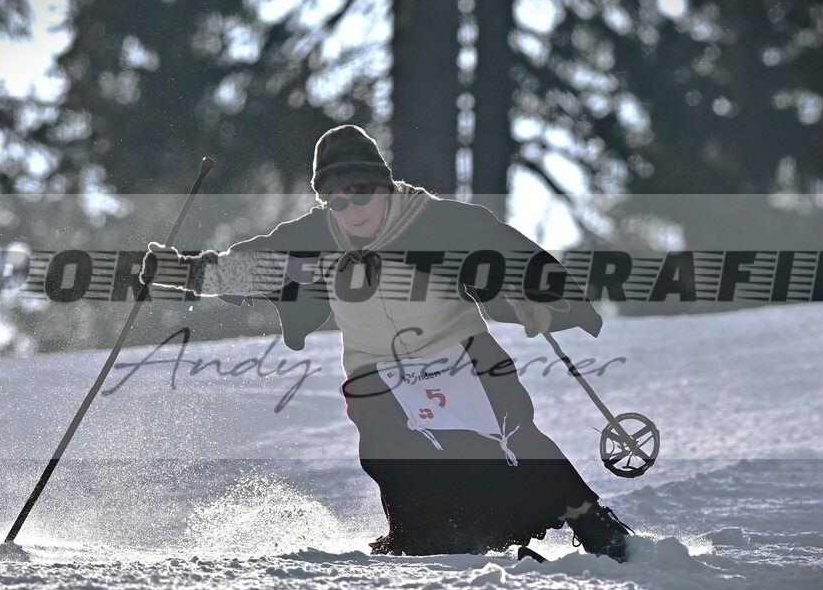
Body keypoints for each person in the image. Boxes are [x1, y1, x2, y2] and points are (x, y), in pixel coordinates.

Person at [142, 125, 634, 561]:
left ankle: (587, 516)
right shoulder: (316, 236)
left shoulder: (438, 221)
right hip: (376, 369)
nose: (351, 210)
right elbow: (249, 266)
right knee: (390, 451)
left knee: (508, 435)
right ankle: (427, 536)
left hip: (459, 351)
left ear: (384, 186)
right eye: (337, 200)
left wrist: (539, 295)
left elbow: (511, 254)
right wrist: (185, 272)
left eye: (361, 194)